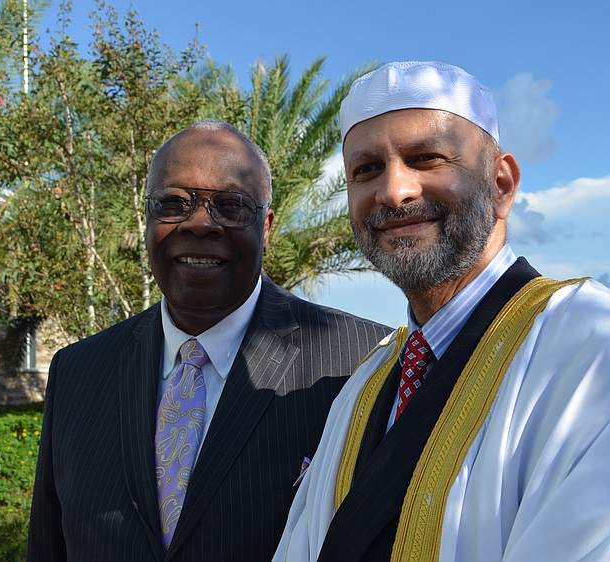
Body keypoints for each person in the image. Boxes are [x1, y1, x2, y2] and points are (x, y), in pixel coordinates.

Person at [273, 61, 610, 562]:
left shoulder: (599, 351)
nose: (394, 191)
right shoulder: (366, 385)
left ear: (502, 184)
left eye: (426, 158)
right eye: (366, 170)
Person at [26, 119, 390, 561]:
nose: (200, 223)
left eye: (231, 206)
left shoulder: (362, 363)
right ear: (147, 219)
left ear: (267, 227)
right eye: (174, 203)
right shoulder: (77, 372)